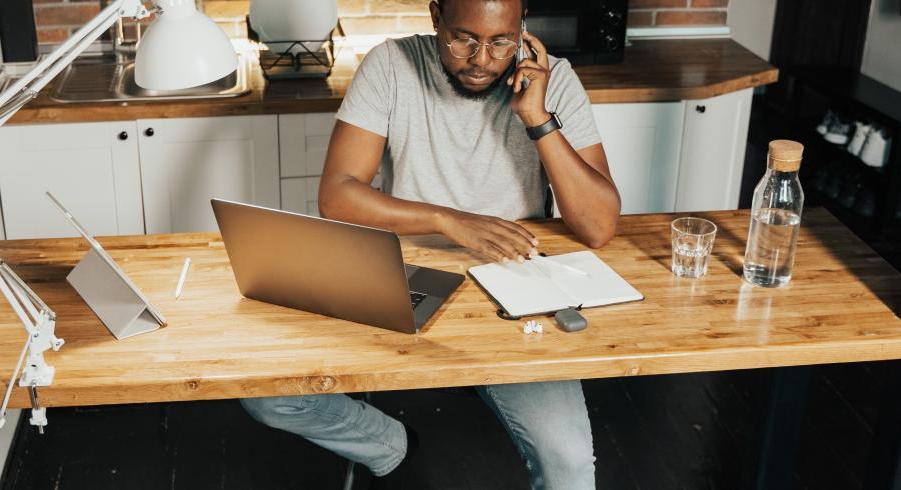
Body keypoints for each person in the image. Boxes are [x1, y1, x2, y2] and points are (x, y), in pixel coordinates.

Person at [239, 0, 621, 487]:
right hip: (401, 267)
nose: (482, 59)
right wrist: (448, 220)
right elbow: (337, 195)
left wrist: (538, 118)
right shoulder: (392, 64)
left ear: (521, 29)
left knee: (568, 462)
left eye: (501, 41)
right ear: (435, 16)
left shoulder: (554, 79)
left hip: (515, 277)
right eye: (463, 38)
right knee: (270, 396)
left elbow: (599, 227)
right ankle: (388, 444)